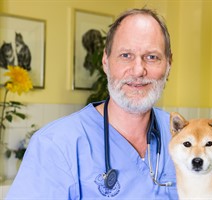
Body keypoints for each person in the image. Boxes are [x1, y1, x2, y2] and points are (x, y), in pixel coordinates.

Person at [6, 8, 178, 199]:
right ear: (106, 62)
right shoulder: (55, 146)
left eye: (152, 57)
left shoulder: (185, 136)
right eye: (126, 55)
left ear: (169, 64)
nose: (138, 70)